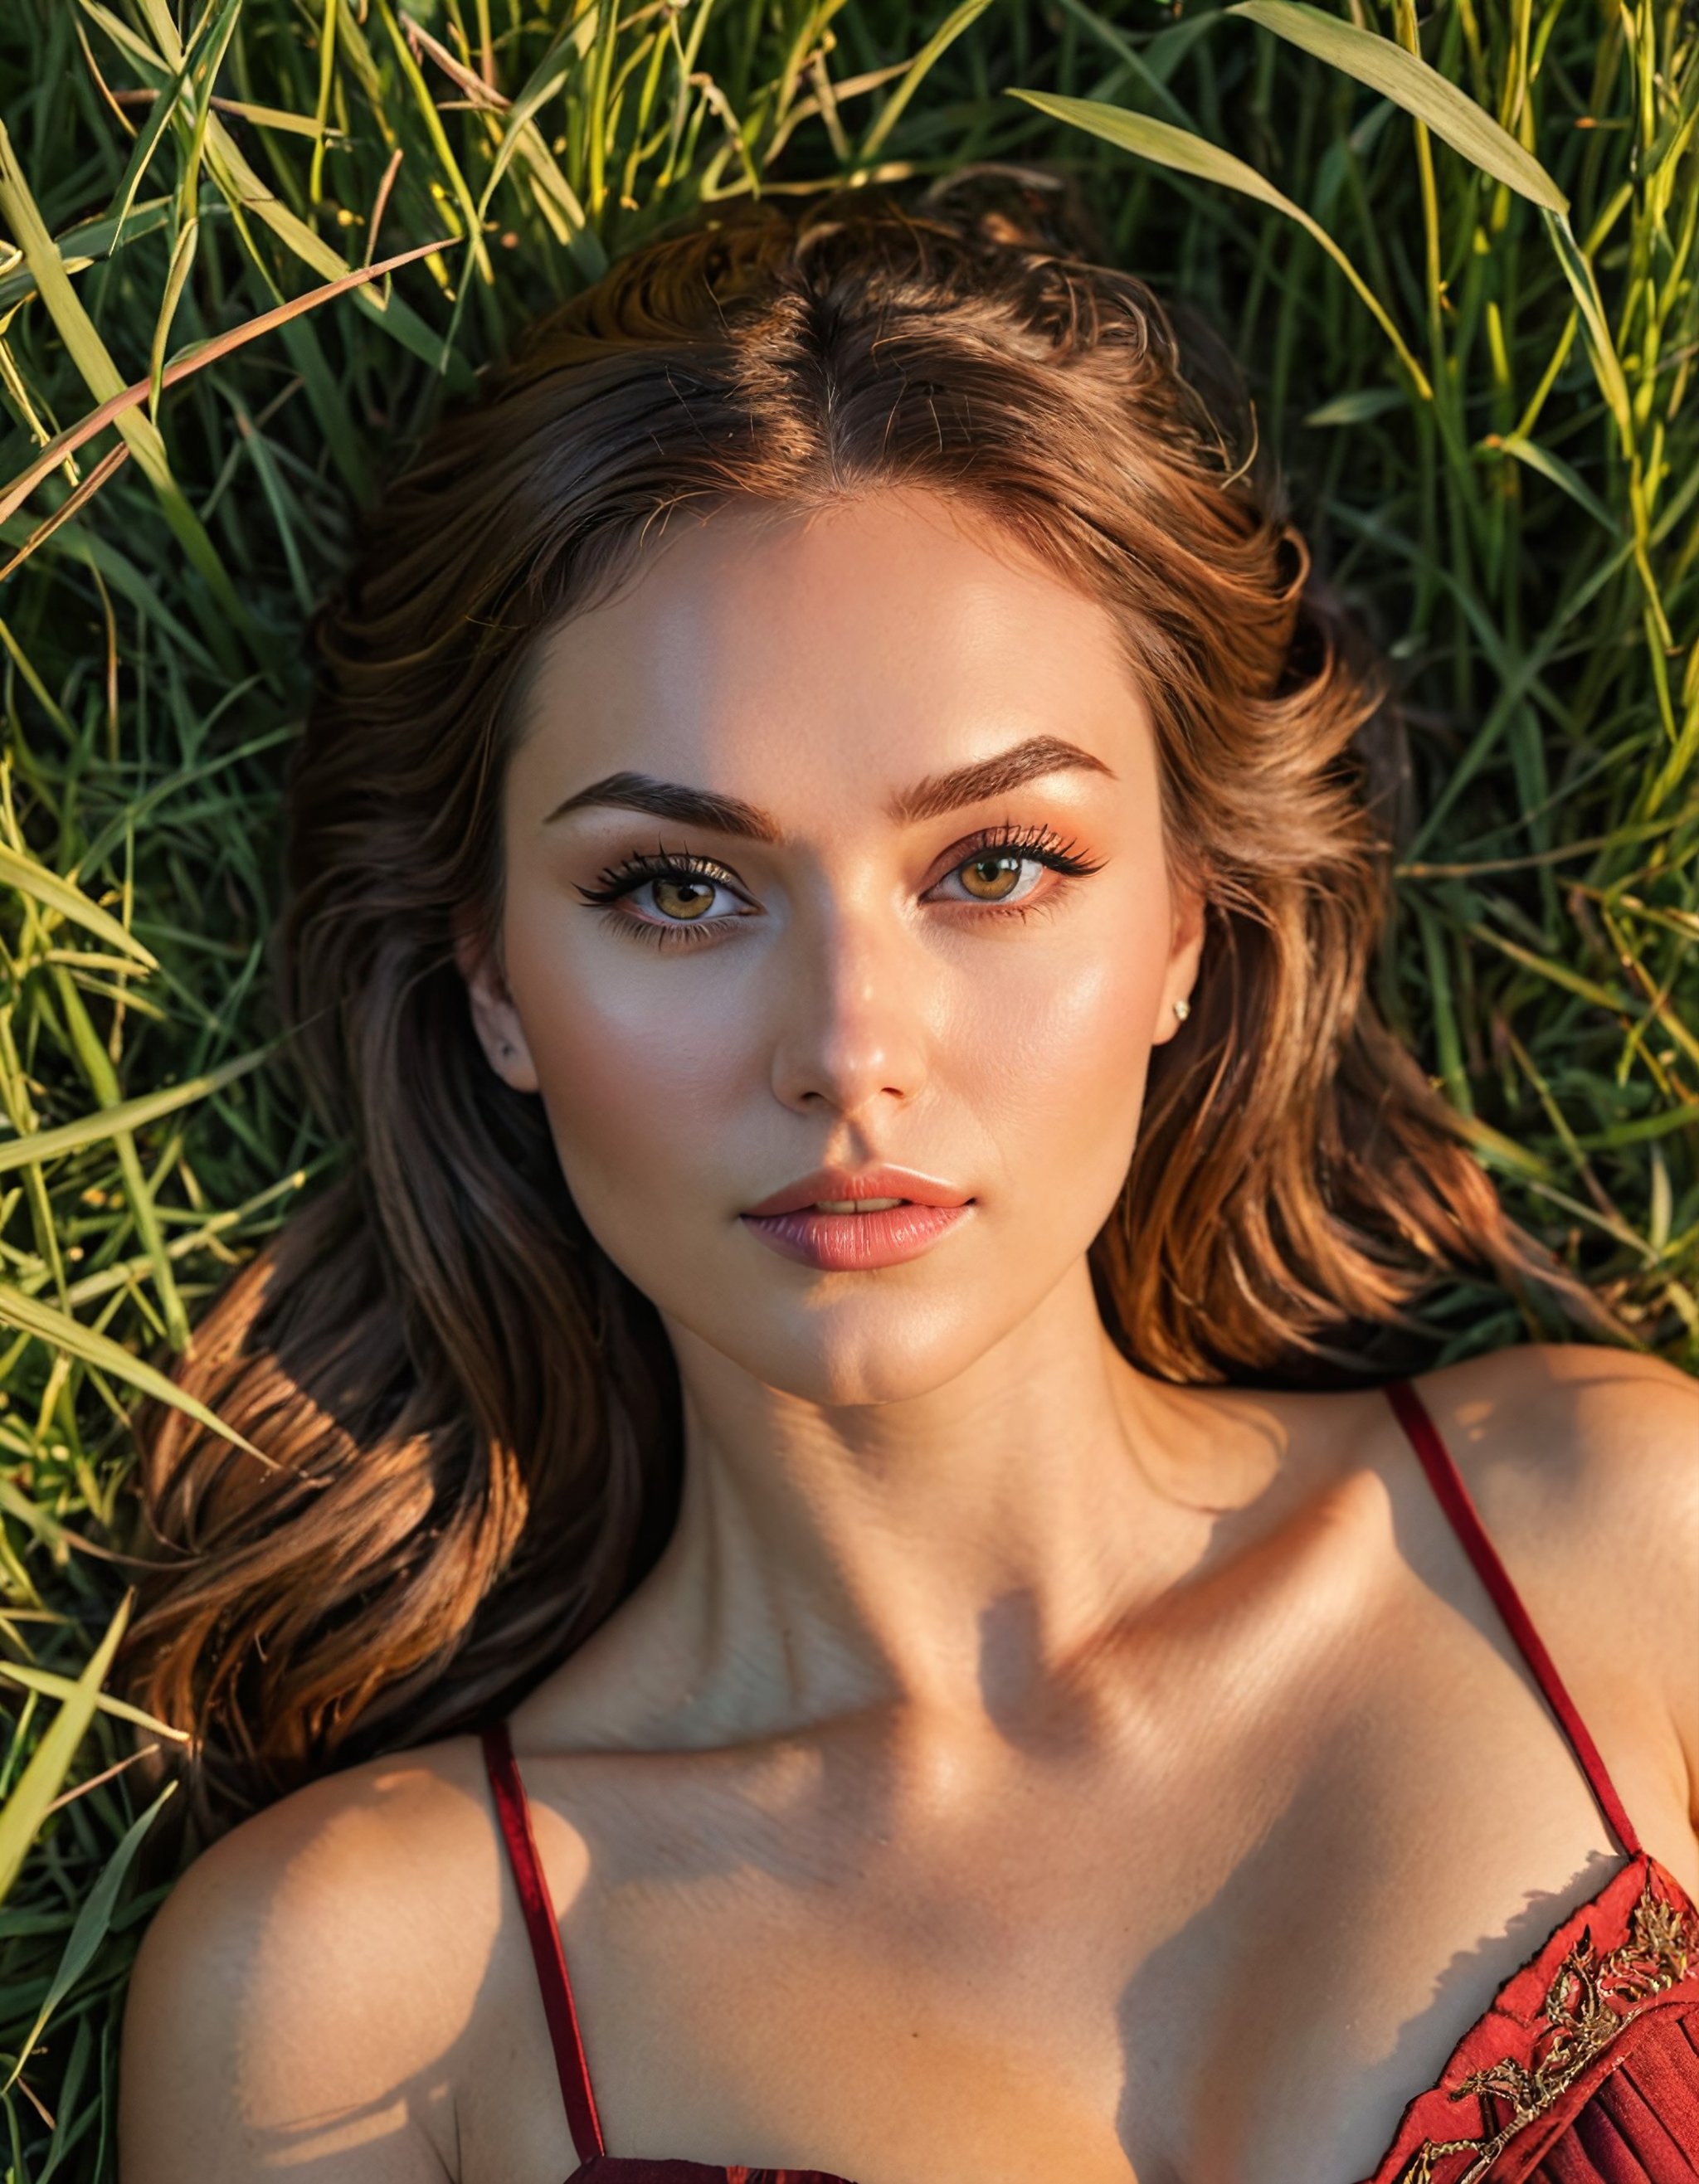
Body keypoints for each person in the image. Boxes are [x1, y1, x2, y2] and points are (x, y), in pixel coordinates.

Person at [116, 168, 1698, 2184]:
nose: (850, 1045)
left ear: (1189, 927)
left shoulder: (1613, 1556)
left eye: (995, 866)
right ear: (495, 983)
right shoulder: (371, 1999)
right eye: (677, 889)